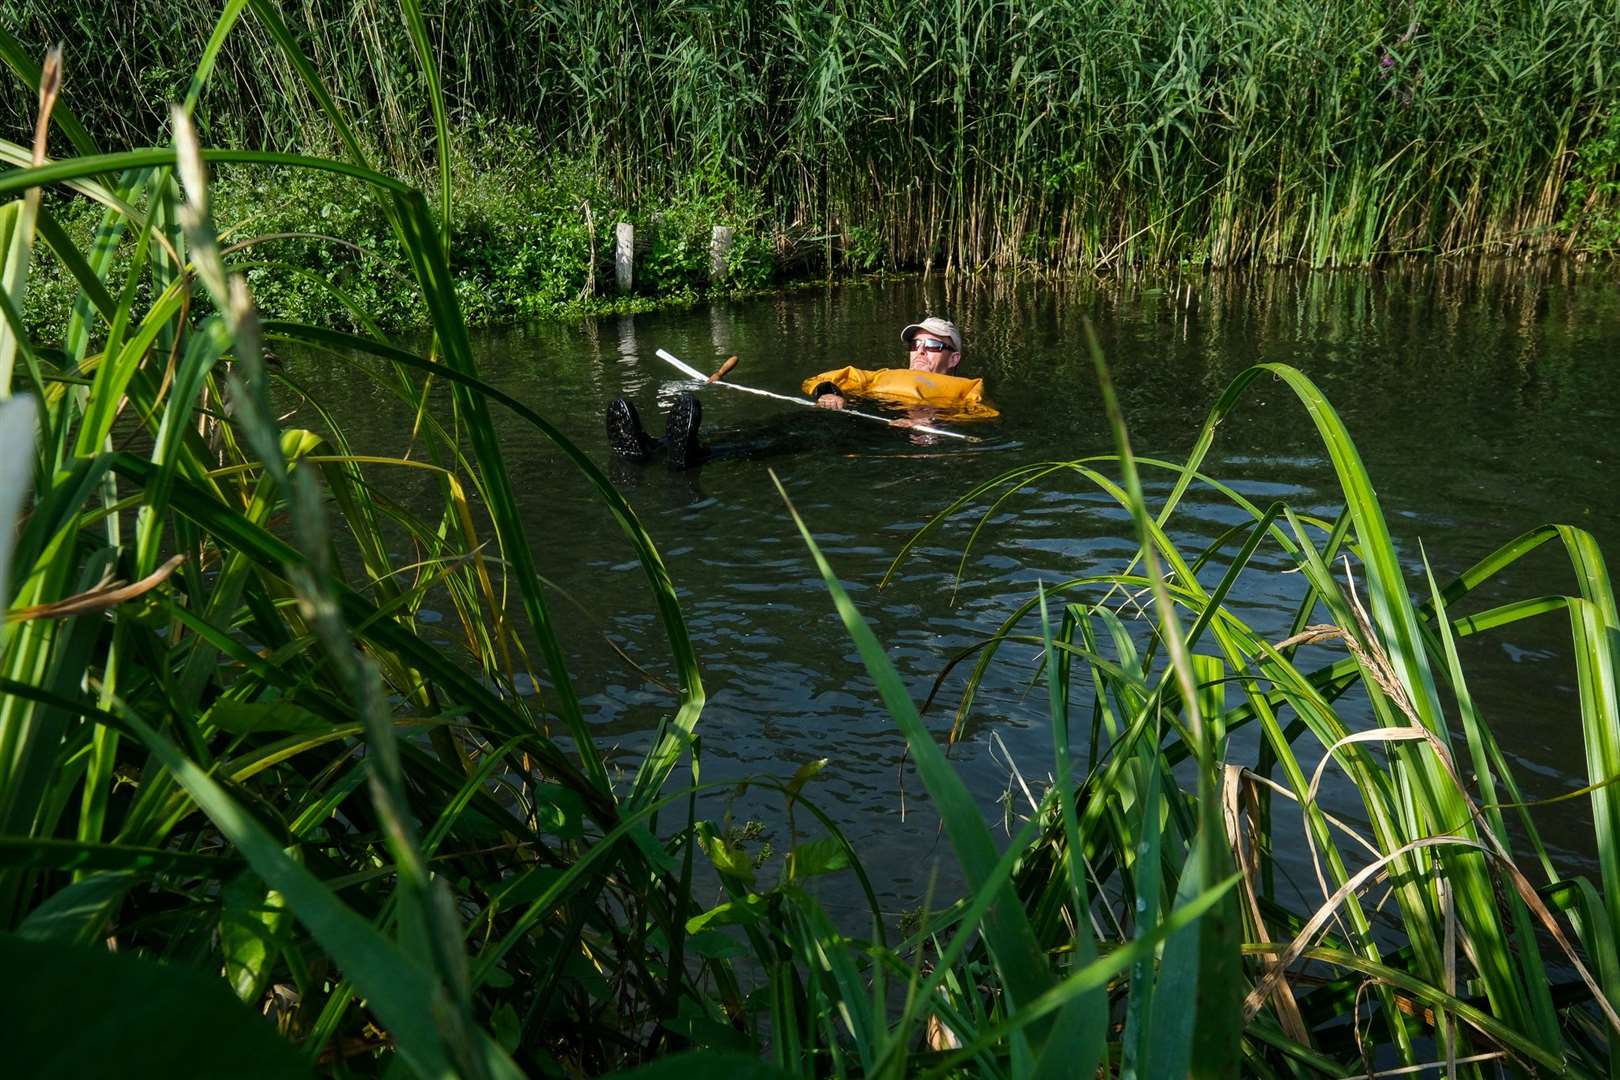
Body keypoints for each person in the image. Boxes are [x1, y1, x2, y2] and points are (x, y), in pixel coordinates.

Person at [605, 316, 993, 470]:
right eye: (915, 345)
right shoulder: (879, 375)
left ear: (954, 356)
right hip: (847, 410)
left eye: (933, 346)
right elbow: (828, 377)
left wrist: (928, 418)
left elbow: (983, 422)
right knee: (784, 422)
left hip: (882, 429)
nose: (920, 351)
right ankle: (652, 447)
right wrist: (828, 391)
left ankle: (697, 454)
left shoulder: (965, 390)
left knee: (799, 437)